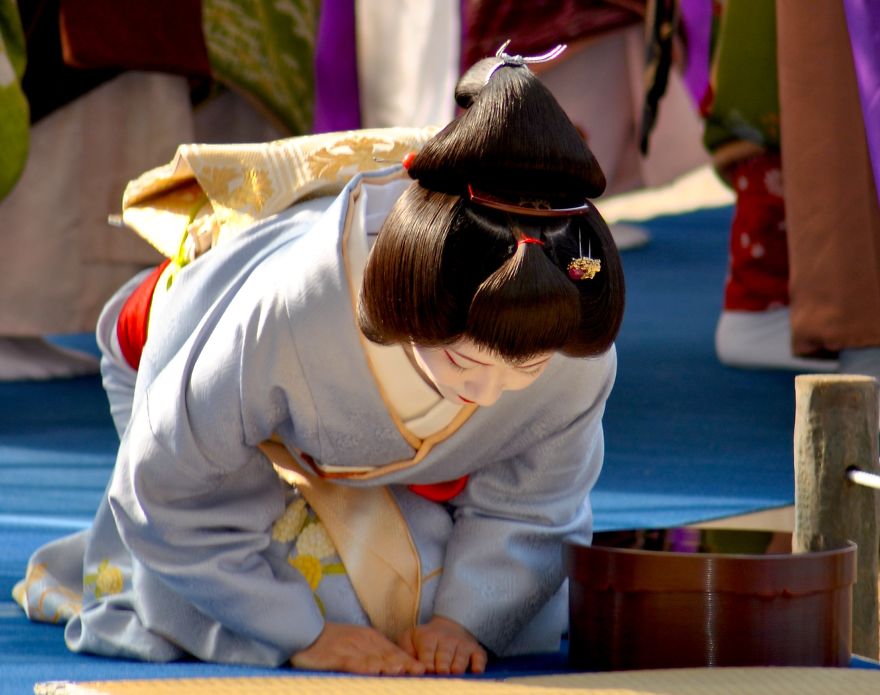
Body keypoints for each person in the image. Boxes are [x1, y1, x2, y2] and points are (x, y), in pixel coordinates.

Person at [14, 45, 625, 675]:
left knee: (511, 605)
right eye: (463, 361)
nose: (490, 393)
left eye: (527, 369)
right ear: (407, 301)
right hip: (179, 378)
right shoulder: (296, 310)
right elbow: (169, 489)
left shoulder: (572, 335)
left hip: (364, 444)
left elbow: (536, 506)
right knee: (343, 597)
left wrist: (464, 621)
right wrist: (299, 632)